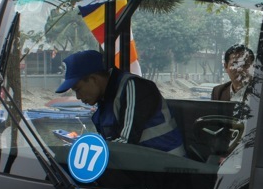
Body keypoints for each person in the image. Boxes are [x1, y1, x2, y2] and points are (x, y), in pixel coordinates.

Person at [56, 49, 185, 156]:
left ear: (93, 79)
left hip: (166, 169)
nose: (78, 97)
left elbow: (126, 143)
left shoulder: (133, 87)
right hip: (139, 166)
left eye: (78, 89)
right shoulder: (104, 100)